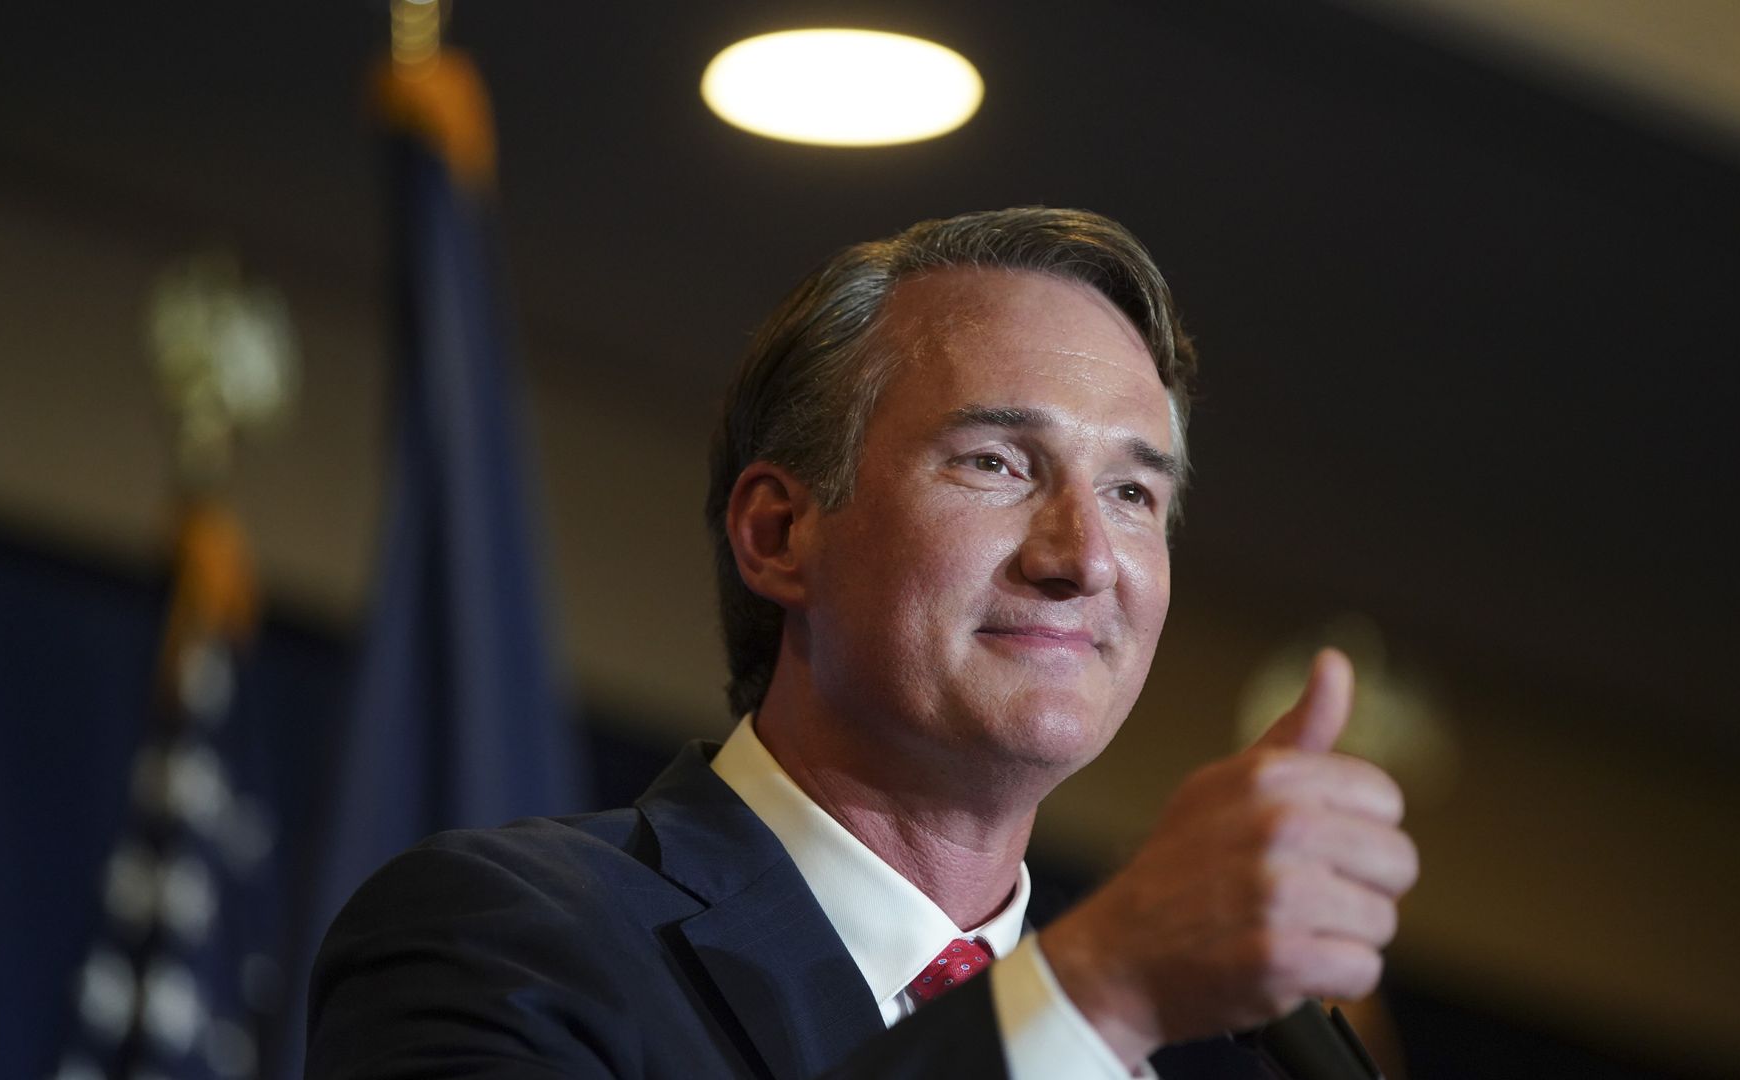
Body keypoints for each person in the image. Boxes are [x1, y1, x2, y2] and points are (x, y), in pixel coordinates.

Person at [306, 207, 1418, 1078]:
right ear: (780, 532)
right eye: (997, 463)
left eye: (1133, 492)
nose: (1084, 556)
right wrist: (1099, 988)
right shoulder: (506, 936)